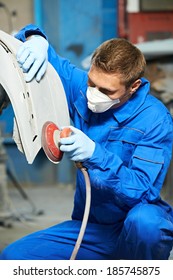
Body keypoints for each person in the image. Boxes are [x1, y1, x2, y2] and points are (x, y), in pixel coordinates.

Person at [1, 24, 173, 260]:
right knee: (14, 257)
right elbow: (36, 50)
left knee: (147, 224)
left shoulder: (155, 119)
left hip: (134, 226)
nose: (94, 94)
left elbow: (143, 190)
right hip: (92, 227)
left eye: (107, 90)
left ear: (133, 87)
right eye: (92, 83)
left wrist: (96, 154)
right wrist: (35, 39)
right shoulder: (81, 87)